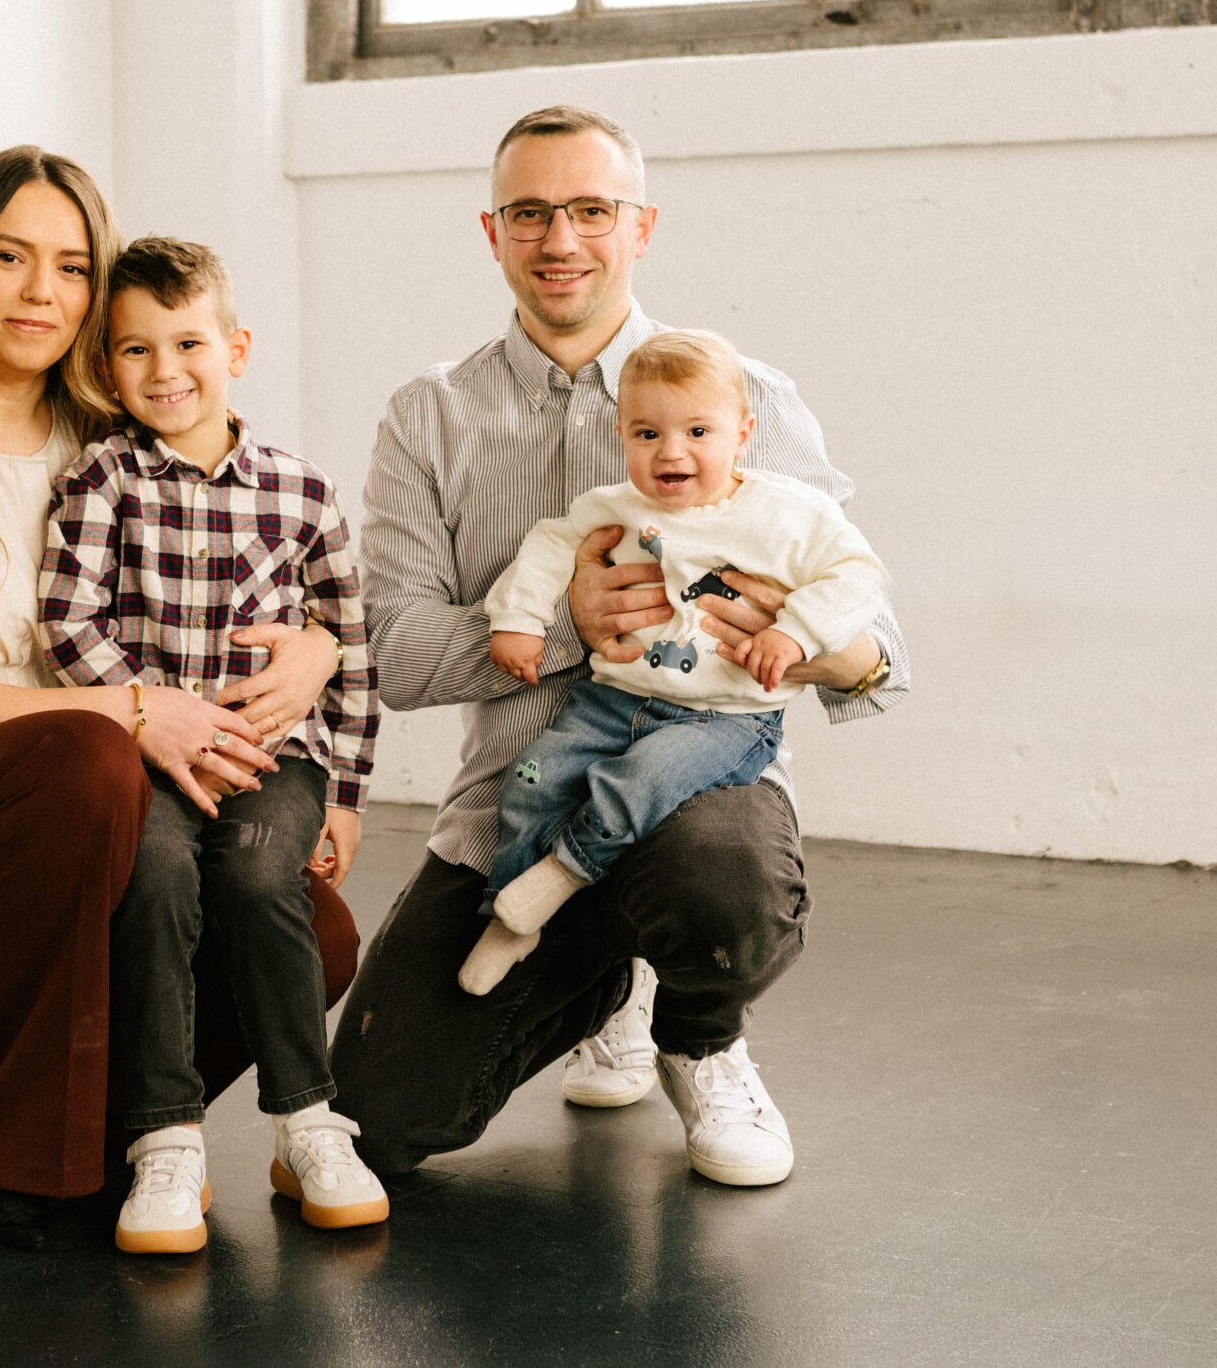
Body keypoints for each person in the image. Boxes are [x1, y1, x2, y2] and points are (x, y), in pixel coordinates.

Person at [0, 148, 357, 1251]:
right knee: (79, 757)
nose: (42, 291)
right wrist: (136, 713)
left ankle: (124, 1133)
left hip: (107, 820)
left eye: (72, 266)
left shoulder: (116, 445)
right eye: (10, 257)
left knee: (308, 929)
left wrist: (321, 649)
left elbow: (266, 554)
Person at [330, 104, 911, 1188]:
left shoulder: (746, 396)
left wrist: (809, 645)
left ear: (639, 226)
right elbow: (398, 655)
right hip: (519, 792)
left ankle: (698, 1031)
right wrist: (571, 627)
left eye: (591, 209)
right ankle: (606, 978)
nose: (561, 239)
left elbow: (880, 648)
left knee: (721, 897)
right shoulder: (430, 417)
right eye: (531, 212)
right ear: (491, 230)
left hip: (700, 778)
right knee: (376, 1118)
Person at [40, 236, 391, 1253]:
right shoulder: (100, 478)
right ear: (108, 366)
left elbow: (347, 643)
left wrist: (348, 792)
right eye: (134, 350)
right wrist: (150, 711)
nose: (164, 370)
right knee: (151, 874)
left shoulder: (300, 491)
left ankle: (307, 1121)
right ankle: (165, 1136)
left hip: (272, 759)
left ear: (234, 347)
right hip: (149, 749)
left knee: (251, 873)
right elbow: (69, 622)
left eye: (187, 342)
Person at [460, 329, 888, 1036]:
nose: (671, 452)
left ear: (743, 433)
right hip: (611, 701)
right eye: (647, 432)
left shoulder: (787, 514)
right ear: (622, 433)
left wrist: (795, 632)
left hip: (722, 718)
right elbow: (549, 544)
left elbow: (859, 575)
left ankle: (558, 881)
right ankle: (511, 915)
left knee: (641, 779)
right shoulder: (614, 507)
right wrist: (522, 618)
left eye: (697, 431)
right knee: (534, 777)